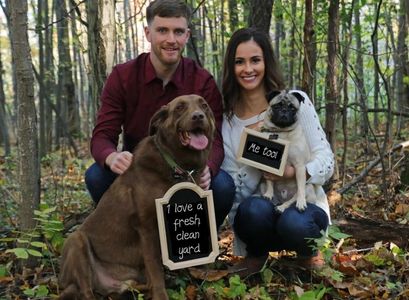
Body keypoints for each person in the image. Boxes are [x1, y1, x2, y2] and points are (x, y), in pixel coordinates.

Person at [85, 0, 234, 229]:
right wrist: (111, 156)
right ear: (148, 33)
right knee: (97, 175)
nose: (171, 40)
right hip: (141, 169)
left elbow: (216, 141)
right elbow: (102, 136)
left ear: (187, 35)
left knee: (222, 185)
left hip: (187, 170)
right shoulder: (123, 76)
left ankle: (192, 244)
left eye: (178, 31)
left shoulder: (202, 81)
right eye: (162, 30)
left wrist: (209, 168)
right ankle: (131, 239)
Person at [220, 27, 334, 275]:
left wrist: (292, 171)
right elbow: (235, 190)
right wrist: (256, 154)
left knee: (294, 220)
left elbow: (326, 162)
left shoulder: (295, 101)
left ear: (266, 63)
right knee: (252, 210)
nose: (248, 69)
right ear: (231, 67)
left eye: (255, 60)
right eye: (240, 62)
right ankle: (256, 255)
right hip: (265, 209)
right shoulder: (228, 122)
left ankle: (308, 253)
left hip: (302, 207)